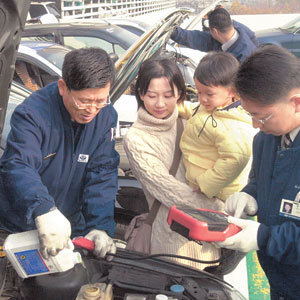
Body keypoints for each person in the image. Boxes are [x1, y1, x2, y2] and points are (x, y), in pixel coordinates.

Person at [0, 47, 119, 259]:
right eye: (84, 101)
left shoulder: (105, 117)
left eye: (100, 100)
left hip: (69, 226)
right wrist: (43, 210)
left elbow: (102, 173)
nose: (92, 109)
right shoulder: (33, 114)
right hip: (19, 223)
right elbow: (18, 165)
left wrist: (99, 226)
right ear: (63, 87)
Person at [123, 58, 225, 271]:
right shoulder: (136, 138)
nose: (160, 104)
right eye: (151, 96)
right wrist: (221, 210)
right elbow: (169, 191)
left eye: (168, 95)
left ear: (180, 93)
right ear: (140, 94)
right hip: (172, 239)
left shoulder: (192, 119)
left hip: (209, 234)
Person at [216, 45, 300, 300]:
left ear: (296, 103)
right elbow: (259, 180)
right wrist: (249, 195)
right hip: (279, 280)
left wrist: (264, 236)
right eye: (250, 115)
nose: (255, 125)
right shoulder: (266, 139)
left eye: (261, 117)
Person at [180, 51, 257, 202]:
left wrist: (206, 184)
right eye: (199, 92)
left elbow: (235, 160)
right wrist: (176, 107)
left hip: (219, 195)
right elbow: (195, 109)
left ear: (232, 91)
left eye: (209, 94)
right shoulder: (214, 107)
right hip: (202, 186)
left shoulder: (234, 126)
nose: (202, 99)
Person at [170, 7, 258, 63]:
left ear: (215, 31)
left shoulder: (244, 58)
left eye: (210, 30)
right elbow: (195, 38)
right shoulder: (230, 30)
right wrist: (172, 32)